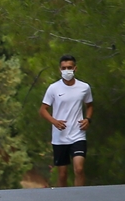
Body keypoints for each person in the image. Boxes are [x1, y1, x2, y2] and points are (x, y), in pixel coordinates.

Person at [40, 54, 93, 186]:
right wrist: (54, 121)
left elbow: (90, 105)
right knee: (62, 175)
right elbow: (43, 110)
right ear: (60, 69)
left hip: (78, 134)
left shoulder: (84, 87)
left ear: (75, 68)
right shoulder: (53, 88)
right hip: (60, 137)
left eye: (69, 67)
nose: (67, 70)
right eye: (64, 68)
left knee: (79, 169)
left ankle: (79, 199)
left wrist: (88, 119)